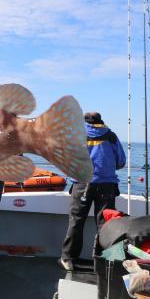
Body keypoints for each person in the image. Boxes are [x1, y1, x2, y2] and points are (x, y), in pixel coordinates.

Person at [59, 111, 126, 271]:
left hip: (81, 185)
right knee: (106, 224)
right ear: (100, 120)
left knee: (76, 221)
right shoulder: (111, 136)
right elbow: (121, 162)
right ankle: (104, 263)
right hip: (107, 186)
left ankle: (68, 259)